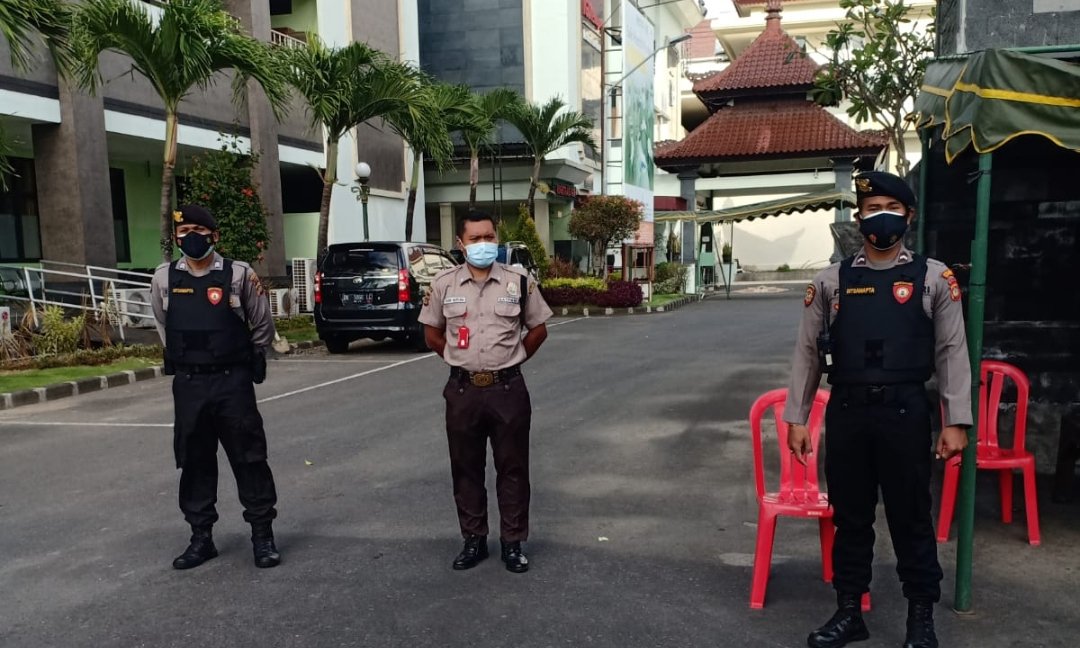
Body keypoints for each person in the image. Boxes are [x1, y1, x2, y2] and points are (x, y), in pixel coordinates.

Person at [784, 172, 972, 648]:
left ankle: (920, 619)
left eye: (891, 207)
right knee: (850, 517)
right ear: (858, 217)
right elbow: (808, 352)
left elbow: (952, 352)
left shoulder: (934, 278)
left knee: (911, 517)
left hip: (904, 411)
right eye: (871, 209)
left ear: (909, 216)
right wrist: (796, 417)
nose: (880, 217)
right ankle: (850, 611)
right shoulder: (831, 281)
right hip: (848, 412)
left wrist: (956, 420)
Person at [419, 210, 553, 573]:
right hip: (463, 390)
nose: (483, 244)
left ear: (497, 238)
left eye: (489, 237)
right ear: (460, 244)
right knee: (466, 467)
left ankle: (513, 543)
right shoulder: (444, 284)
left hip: (508, 388)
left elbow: (538, 329)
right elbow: (432, 333)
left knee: (513, 468)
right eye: (475, 239)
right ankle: (473, 540)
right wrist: (457, 359)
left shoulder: (518, 281)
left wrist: (514, 357)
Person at [150, 204, 281, 570]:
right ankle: (201, 538)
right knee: (194, 461)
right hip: (189, 384)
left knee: (249, 457)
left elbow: (262, 325)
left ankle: (262, 536)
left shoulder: (238, 275)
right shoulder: (163, 278)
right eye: (183, 231)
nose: (190, 237)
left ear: (214, 235)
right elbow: (163, 324)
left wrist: (246, 356)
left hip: (231, 381)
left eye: (198, 230)